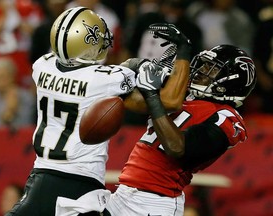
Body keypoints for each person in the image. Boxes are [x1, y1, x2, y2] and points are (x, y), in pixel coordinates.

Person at [106, 23, 257, 215]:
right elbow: (134, 101)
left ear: (230, 82)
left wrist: (152, 95)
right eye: (204, 65)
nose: (201, 71)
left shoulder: (227, 118)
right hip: (126, 191)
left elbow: (177, 147)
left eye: (211, 69)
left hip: (154, 202)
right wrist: (125, 77)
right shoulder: (185, 97)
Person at [5, 6, 137, 216]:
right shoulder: (104, 78)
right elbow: (133, 72)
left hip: (43, 173)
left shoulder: (42, 66)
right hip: (82, 180)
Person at [0, 56, 35, 128]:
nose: (2, 81)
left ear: (13, 76)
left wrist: (14, 110)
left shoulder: (27, 98)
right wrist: (9, 113)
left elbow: (27, 126)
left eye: (5, 76)